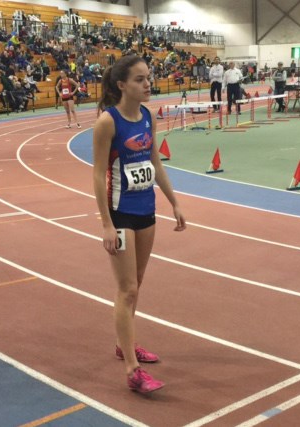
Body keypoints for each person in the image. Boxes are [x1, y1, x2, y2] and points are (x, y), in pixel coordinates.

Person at [92, 55, 186, 394]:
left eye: (149, 78)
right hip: (120, 213)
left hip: (147, 211)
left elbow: (154, 162)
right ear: (121, 85)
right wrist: (105, 223)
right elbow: (98, 175)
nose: (148, 84)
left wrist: (174, 201)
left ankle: (124, 344)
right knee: (127, 288)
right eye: (140, 79)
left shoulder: (147, 116)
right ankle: (131, 368)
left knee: (138, 283)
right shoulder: (108, 122)